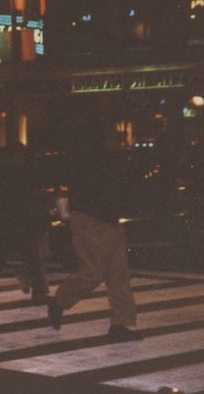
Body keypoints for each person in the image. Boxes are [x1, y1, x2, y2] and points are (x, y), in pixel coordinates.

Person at [47, 128, 142, 342]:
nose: (116, 142)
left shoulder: (110, 161)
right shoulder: (92, 161)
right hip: (91, 218)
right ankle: (60, 301)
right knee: (94, 272)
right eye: (111, 138)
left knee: (118, 275)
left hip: (109, 219)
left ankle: (120, 324)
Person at [0, 144, 48, 304]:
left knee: (5, 256)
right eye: (18, 156)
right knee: (27, 256)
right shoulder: (12, 175)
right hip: (15, 221)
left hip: (12, 221)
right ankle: (37, 292)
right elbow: (18, 198)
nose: (21, 159)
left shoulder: (7, 174)